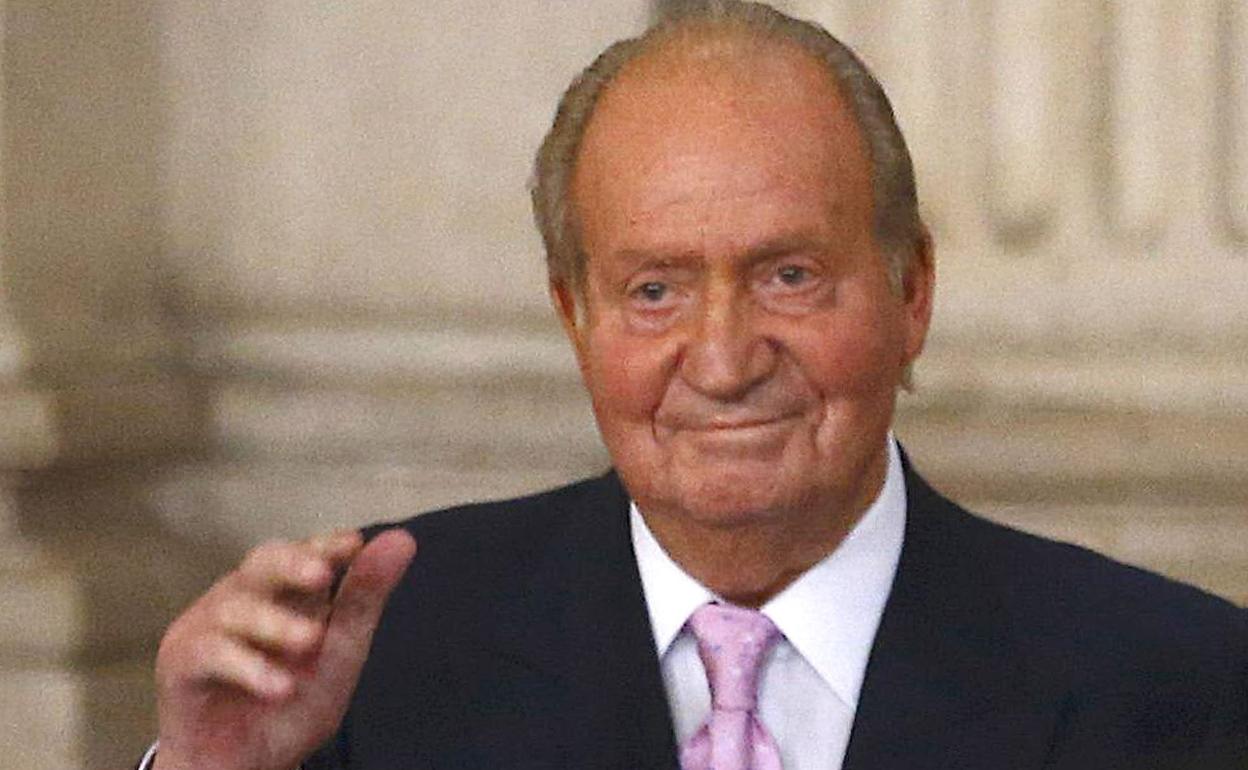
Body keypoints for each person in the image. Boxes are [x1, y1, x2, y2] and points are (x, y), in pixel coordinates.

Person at [141, 3, 1247, 769]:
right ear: (574, 315)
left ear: (911, 292)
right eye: (656, 290)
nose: (723, 362)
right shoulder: (378, 654)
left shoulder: (1178, 687)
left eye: (789, 275)